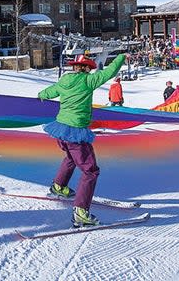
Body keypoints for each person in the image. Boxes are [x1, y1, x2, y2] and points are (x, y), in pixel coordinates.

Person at [39, 52, 126, 227]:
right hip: (76, 131)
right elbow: (109, 73)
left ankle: (58, 186)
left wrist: (41, 95)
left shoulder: (64, 81)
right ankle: (81, 212)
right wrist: (121, 57)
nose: (90, 71)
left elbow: (47, 93)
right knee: (90, 170)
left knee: (70, 158)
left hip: (60, 130)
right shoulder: (88, 81)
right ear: (85, 68)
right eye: (89, 68)